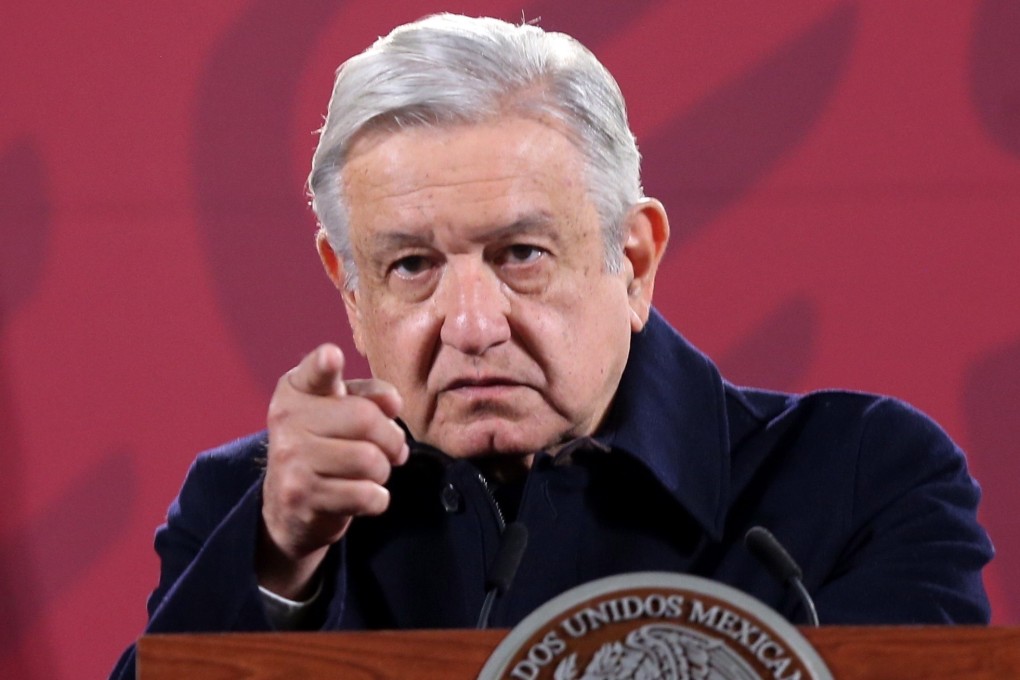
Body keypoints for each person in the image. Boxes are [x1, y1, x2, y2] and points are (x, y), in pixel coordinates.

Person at [110, 13, 993, 678]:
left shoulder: (858, 477)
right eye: (412, 265)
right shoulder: (256, 511)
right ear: (348, 284)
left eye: (521, 255)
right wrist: (278, 565)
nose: (471, 323)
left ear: (634, 260)